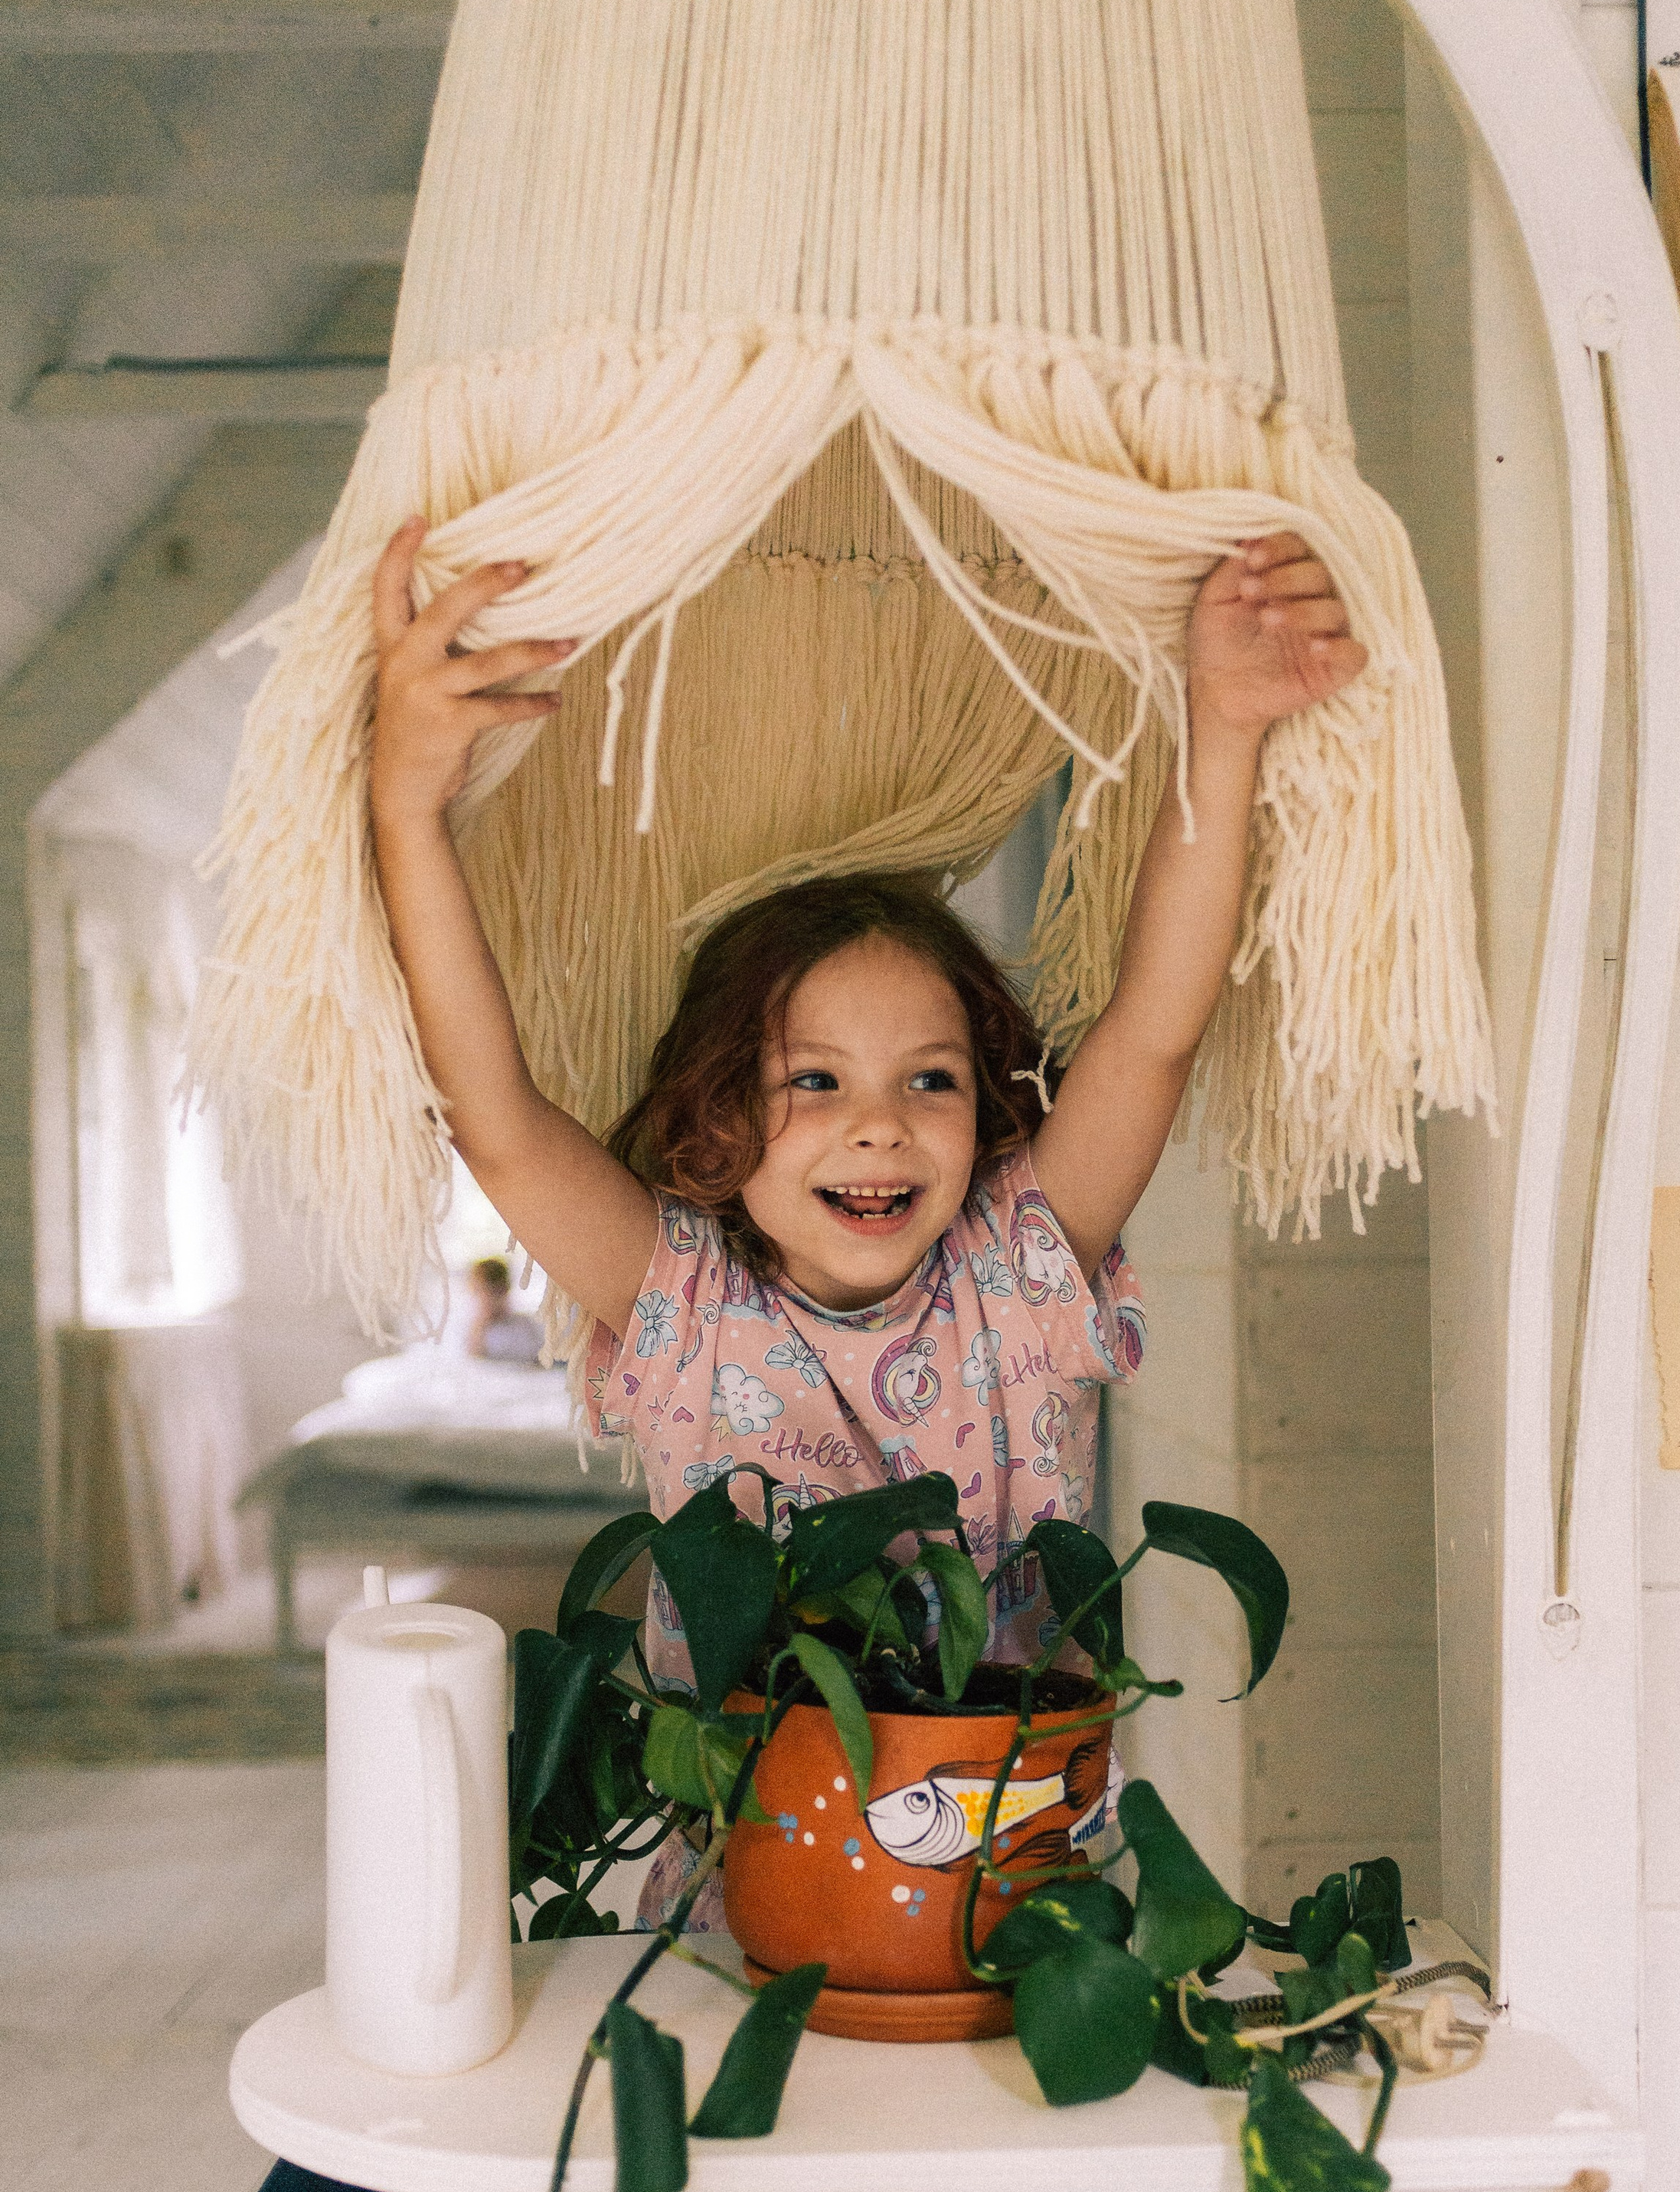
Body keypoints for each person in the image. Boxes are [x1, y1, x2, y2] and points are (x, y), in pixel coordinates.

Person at [367, 514, 1366, 1920]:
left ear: (985, 1111)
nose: (878, 1122)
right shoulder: (686, 1302)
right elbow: (498, 1119)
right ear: (717, 1119)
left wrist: (1226, 724)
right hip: (742, 1896)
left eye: (930, 1080)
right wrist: (407, 809)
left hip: (1012, 1903)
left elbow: (1150, 1036)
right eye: (814, 1081)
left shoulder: (1017, 1274)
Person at [462, 1253, 541, 1362]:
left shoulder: (524, 1328)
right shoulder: (471, 1329)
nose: (478, 1298)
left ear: (502, 1290)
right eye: (475, 1291)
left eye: (480, 1291)